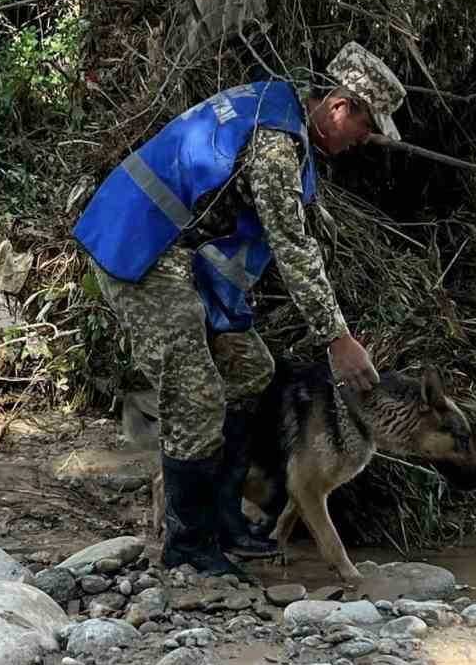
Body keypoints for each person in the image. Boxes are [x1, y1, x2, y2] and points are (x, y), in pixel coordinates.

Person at [72, 43, 406, 578]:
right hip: (139, 248)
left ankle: (225, 517)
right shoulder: (276, 143)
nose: (364, 140)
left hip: (178, 256)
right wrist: (337, 337)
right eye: (366, 127)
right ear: (340, 107)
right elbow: (292, 245)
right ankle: (188, 545)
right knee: (197, 397)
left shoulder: (282, 115)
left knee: (253, 370)